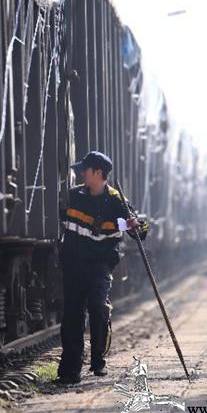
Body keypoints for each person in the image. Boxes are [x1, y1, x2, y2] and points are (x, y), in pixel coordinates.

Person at [55, 151, 149, 384]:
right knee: (72, 317)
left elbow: (140, 229)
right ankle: (70, 372)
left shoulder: (117, 202)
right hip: (74, 265)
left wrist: (136, 226)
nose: (80, 173)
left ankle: (98, 360)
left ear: (98, 173)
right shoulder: (73, 196)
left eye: (84, 170)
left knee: (98, 307)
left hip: (100, 265)